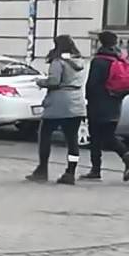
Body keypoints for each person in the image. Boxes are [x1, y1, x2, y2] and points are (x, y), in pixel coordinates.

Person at [28, 34, 87, 185]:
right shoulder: (79, 61)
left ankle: (42, 169)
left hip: (58, 103)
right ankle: (71, 172)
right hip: (76, 102)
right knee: (72, 140)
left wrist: (40, 82)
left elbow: (54, 81)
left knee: (45, 135)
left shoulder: (58, 61)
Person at [83, 30, 129, 182]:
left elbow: (92, 84)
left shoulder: (99, 60)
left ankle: (124, 158)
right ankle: (99, 168)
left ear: (101, 42)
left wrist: (87, 99)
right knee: (108, 134)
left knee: (97, 137)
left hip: (98, 104)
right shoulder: (124, 59)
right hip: (116, 103)